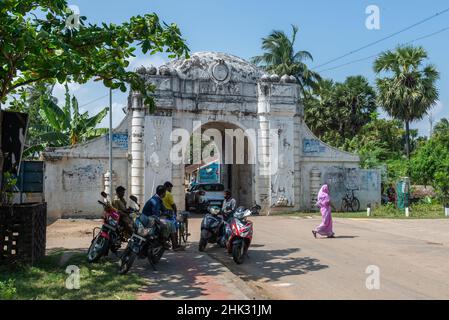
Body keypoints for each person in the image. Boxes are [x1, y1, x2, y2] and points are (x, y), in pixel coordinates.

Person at [141, 185, 184, 251]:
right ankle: (172, 245)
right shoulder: (155, 201)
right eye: (165, 192)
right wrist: (164, 214)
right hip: (149, 220)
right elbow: (156, 214)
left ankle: (165, 241)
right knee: (171, 224)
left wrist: (168, 212)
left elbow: (164, 209)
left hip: (150, 218)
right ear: (163, 193)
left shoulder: (157, 199)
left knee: (168, 222)